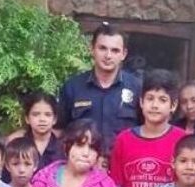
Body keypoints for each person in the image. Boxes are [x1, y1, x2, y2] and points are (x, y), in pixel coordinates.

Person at [58, 23, 141, 157]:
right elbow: (59, 131)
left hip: (124, 166)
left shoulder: (137, 88)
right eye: (102, 48)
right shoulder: (72, 87)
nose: (108, 56)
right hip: (83, 166)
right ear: (92, 49)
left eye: (115, 50)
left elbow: (147, 130)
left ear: (123, 54)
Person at [6, 92, 62, 171]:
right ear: (27, 119)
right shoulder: (15, 145)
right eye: (36, 114)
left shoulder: (62, 148)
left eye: (48, 114)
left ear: (54, 119)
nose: (42, 119)